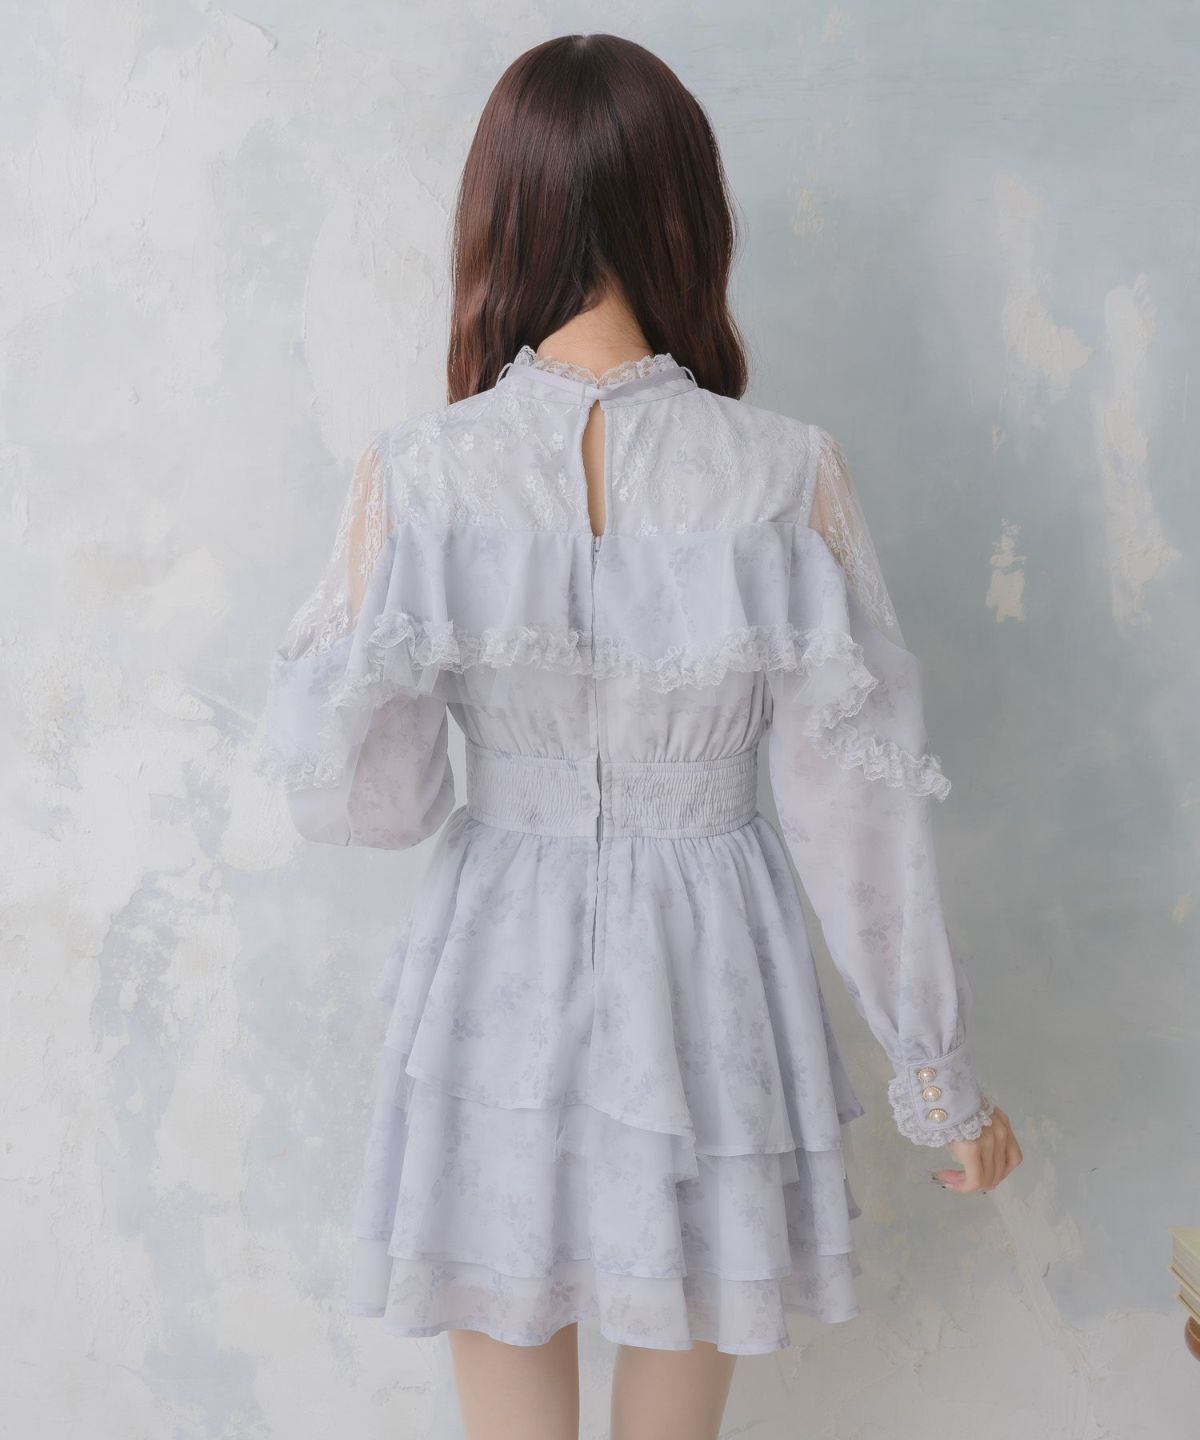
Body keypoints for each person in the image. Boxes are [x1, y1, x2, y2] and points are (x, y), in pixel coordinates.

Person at [258, 31, 1022, 1440]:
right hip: (715, 950)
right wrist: (939, 1078)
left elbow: (379, 802)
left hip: (496, 951)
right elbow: (854, 812)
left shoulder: (417, 476)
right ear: (687, 210)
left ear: (500, 215)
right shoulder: (783, 471)